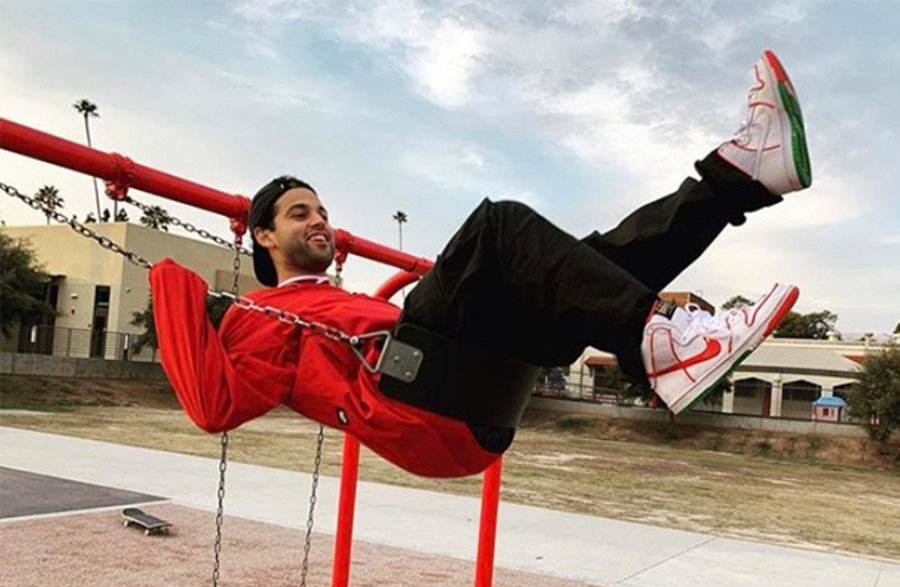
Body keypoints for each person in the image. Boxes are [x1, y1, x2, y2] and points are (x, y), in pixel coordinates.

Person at [151, 50, 810, 478]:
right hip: (414, 396)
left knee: (582, 268)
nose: (319, 220)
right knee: (498, 228)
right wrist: (169, 282)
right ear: (262, 235)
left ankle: (741, 178)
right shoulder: (260, 314)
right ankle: (660, 341)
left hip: (471, 395)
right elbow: (213, 406)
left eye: (321, 209)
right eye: (299, 214)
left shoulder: (335, 302)